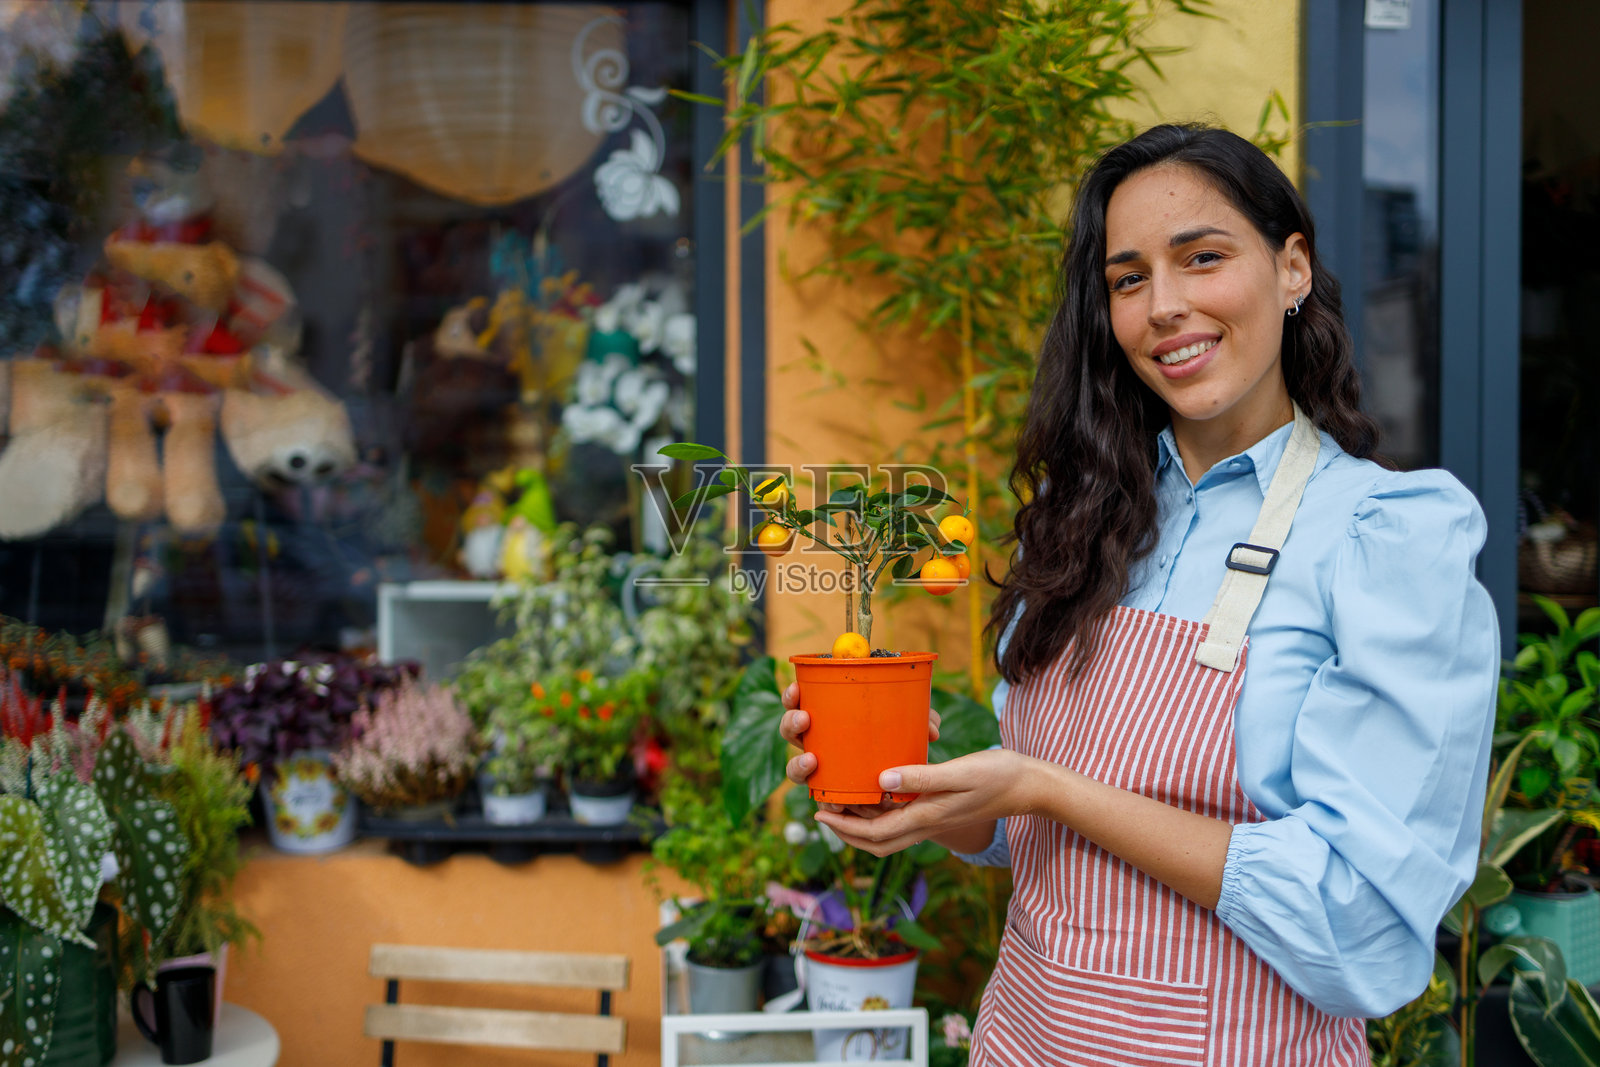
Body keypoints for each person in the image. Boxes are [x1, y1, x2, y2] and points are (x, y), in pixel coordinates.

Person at [778, 124, 1498, 1065]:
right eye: (1128, 279)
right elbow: (1020, 825)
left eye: (1202, 258)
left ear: (1292, 271)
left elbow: (1357, 923)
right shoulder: (1088, 521)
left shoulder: (1386, 539)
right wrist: (919, 795)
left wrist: (1050, 787)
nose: (1165, 306)